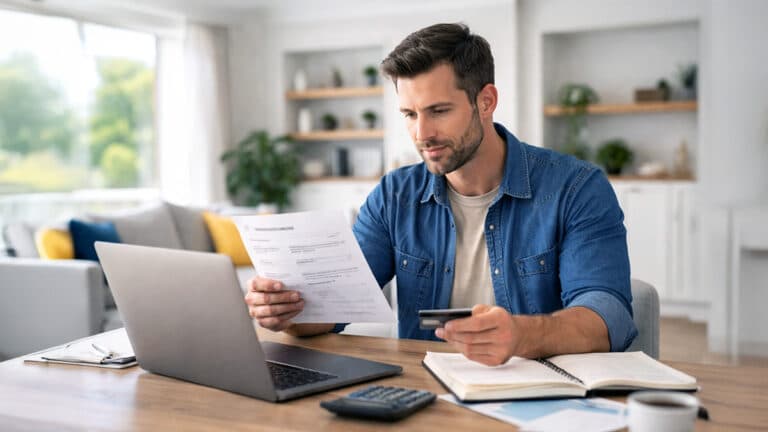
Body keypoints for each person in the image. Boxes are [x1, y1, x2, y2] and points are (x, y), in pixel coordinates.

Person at [244, 23, 637, 366]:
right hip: (424, 392)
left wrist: (521, 335)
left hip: (538, 394)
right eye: (410, 115)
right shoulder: (394, 195)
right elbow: (335, 308)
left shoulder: (576, 188)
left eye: (439, 111)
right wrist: (288, 313)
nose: (421, 134)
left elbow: (608, 317)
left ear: (486, 101)